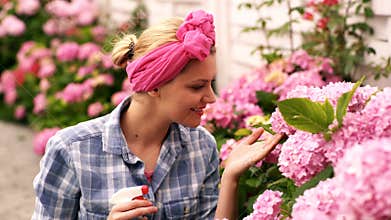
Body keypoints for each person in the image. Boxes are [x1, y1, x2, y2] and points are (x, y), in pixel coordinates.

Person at [32, 10, 283, 220]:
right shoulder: (71, 150)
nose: (211, 97)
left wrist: (230, 178)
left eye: (211, 83)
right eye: (197, 86)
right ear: (154, 87)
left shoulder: (201, 146)